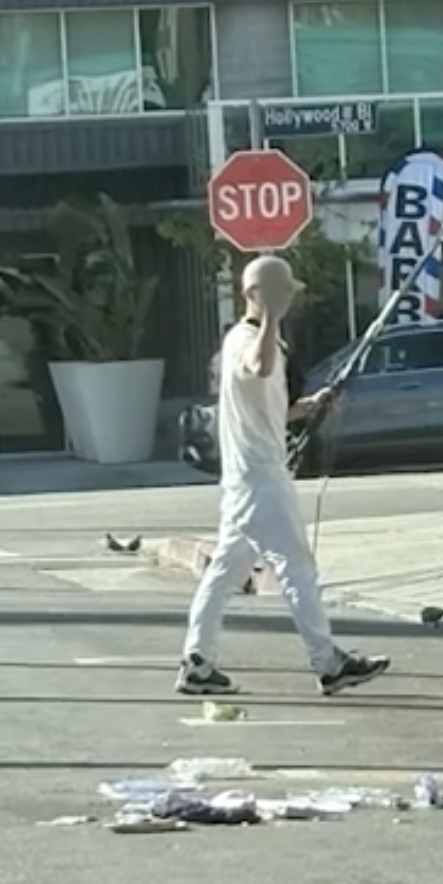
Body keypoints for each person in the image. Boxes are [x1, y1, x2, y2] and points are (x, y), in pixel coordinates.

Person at [177, 256, 391, 697]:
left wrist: (306, 406)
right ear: (259, 296)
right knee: (297, 569)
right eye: (282, 293)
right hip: (260, 480)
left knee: (224, 572)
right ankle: (328, 663)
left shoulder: (254, 341)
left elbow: (264, 403)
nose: (289, 300)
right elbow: (259, 367)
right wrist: (270, 315)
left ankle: (197, 662)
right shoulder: (247, 341)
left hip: (246, 481)